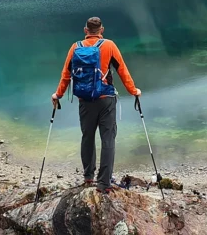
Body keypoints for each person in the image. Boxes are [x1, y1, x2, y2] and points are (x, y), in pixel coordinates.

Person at [51, 17, 141, 193]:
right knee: (107, 139)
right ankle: (104, 183)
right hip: (106, 99)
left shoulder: (75, 47)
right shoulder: (109, 45)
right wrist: (133, 91)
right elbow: (122, 70)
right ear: (102, 30)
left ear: (86, 30)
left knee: (87, 136)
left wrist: (58, 95)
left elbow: (66, 74)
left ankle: (88, 177)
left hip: (85, 101)